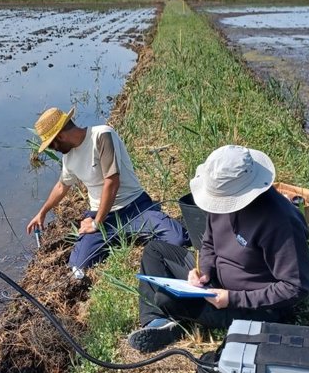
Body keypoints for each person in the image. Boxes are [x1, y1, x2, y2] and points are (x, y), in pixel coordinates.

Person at [128, 144, 309, 353]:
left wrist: (232, 298)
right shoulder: (222, 199)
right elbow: (208, 242)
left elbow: (296, 287)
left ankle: (178, 317)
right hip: (215, 282)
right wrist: (203, 270)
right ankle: (157, 321)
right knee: (155, 251)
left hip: (250, 304)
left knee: (166, 298)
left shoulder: (280, 222)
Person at [26, 106, 188, 277]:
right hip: (102, 215)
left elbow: (112, 181)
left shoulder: (101, 135)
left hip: (134, 206)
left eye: (51, 145)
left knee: (178, 239)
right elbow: (62, 186)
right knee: (78, 266)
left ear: (60, 136)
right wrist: (42, 212)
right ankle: (122, 236)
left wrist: (96, 223)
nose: (54, 150)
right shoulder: (69, 158)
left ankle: (126, 234)